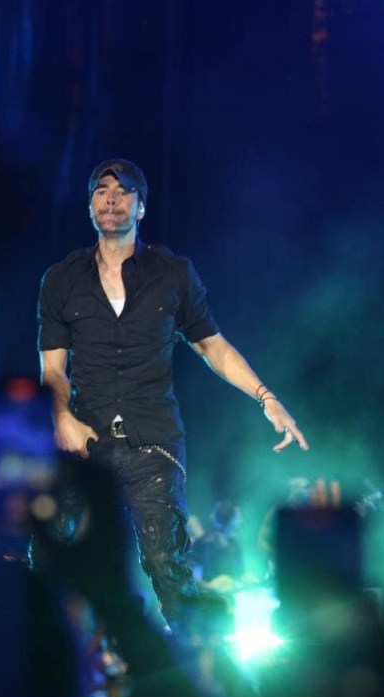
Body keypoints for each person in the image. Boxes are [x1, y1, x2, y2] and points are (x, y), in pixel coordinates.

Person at [34, 156, 309, 630]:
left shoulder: (173, 273)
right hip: (85, 444)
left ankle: (196, 665)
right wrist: (61, 417)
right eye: (101, 191)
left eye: (123, 192)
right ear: (90, 204)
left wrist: (267, 398)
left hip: (153, 445)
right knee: (50, 553)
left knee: (167, 564)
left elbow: (212, 346)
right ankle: (55, 664)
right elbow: (53, 370)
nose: (111, 200)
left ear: (140, 206)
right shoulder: (61, 279)